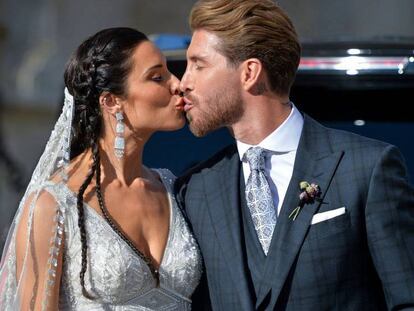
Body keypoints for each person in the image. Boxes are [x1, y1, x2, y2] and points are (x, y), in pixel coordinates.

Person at [175, 0, 414, 310]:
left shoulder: (367, 168)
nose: (184, 82)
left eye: (198, 64)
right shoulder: (194, 190)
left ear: (249, 72)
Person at [0, 27, 202, 310]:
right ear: (111, 101)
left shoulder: (175, 190)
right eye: (158, 77)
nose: (177, 83)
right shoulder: (53, 205)